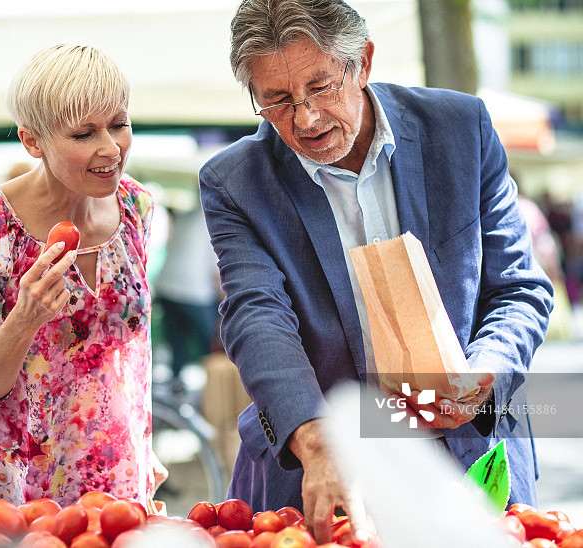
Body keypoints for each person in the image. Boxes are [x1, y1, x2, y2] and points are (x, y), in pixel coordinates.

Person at [198, 0, 553, 543]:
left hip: (467, 457)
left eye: (320, 87)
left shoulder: (461, 128)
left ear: (361, 63)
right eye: (277, 100)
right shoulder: (235, 180)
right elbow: (256, 314)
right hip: (318, 468)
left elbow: (519, 289)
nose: (306, 118)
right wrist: (316, 442)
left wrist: (483, 376)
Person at [0, 44, 165, 506]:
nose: (110, 147)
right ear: (32, 141)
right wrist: (25, 318)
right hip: (15, 497)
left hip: (117, 486)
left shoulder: (135, 207)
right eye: (84, 134)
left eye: (119, 123)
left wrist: (144, 448)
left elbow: (128, 360)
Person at [154, 201, 221, 395]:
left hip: (167, 286)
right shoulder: (216, 219)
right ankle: (215, 394)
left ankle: (176, 385)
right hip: (194, 292)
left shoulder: (190, 214)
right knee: (212, 344)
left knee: (177, 341)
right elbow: (216, 273)